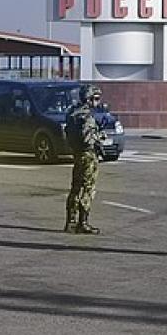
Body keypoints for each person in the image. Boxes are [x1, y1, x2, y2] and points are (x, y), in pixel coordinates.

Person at [64, 85, 105, 235]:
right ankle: (83, 222)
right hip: (88, 155)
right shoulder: (87, 116)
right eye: (95, 99)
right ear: (88, 99)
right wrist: (99, 137)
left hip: (77, 154)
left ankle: (70, 221)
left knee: (75, 187)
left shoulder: (72, 113)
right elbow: (87, 138)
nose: (97, 102)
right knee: (88, 188)